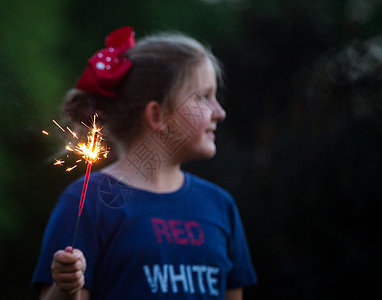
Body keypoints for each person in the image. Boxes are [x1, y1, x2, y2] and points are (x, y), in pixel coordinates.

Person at [32, 26, 257, 300]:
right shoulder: (89, 201)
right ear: (158, 114)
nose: (219, 112)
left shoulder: (220, 206)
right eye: (202, 97)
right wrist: (67, 287)